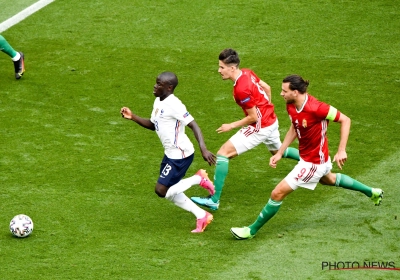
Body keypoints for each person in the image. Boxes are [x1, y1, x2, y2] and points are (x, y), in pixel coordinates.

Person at [230, 74, 384, 240]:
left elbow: (345, 120)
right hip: (310, 158)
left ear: (295, 92)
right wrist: (280, 151)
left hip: (313, 163)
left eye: (284, 91)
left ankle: (251, 231)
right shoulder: (291, 105)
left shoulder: (318, 108)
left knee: (277, 193)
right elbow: (294, 128)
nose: (281, 94)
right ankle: (372, 192)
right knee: (329, 180)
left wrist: (341, 150)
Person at [191, 48, 299, 210]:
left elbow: (253, 118)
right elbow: (267, 88)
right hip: (271, 120)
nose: (219, 70)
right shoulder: (247, 73)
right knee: (277, 151)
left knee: (223, 154)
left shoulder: (241, 89)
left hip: (260, 126)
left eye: (222, 67)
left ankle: (214, 200)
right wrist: (266, 107)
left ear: (232, 68)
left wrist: (231, 125)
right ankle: (310, 160)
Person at [120, 71, 217, 233]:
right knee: (170, 193)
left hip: (181, 155)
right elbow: (153, 125)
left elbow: (194, 125)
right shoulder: (158, 101)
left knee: (161, 190)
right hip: (170, 154)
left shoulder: (175, 105)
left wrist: (204, 149)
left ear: (169, 88)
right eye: (156, 82)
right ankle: (202, 215)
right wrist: (133, 117)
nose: (155, 86)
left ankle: (198, 178)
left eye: (159, 84)